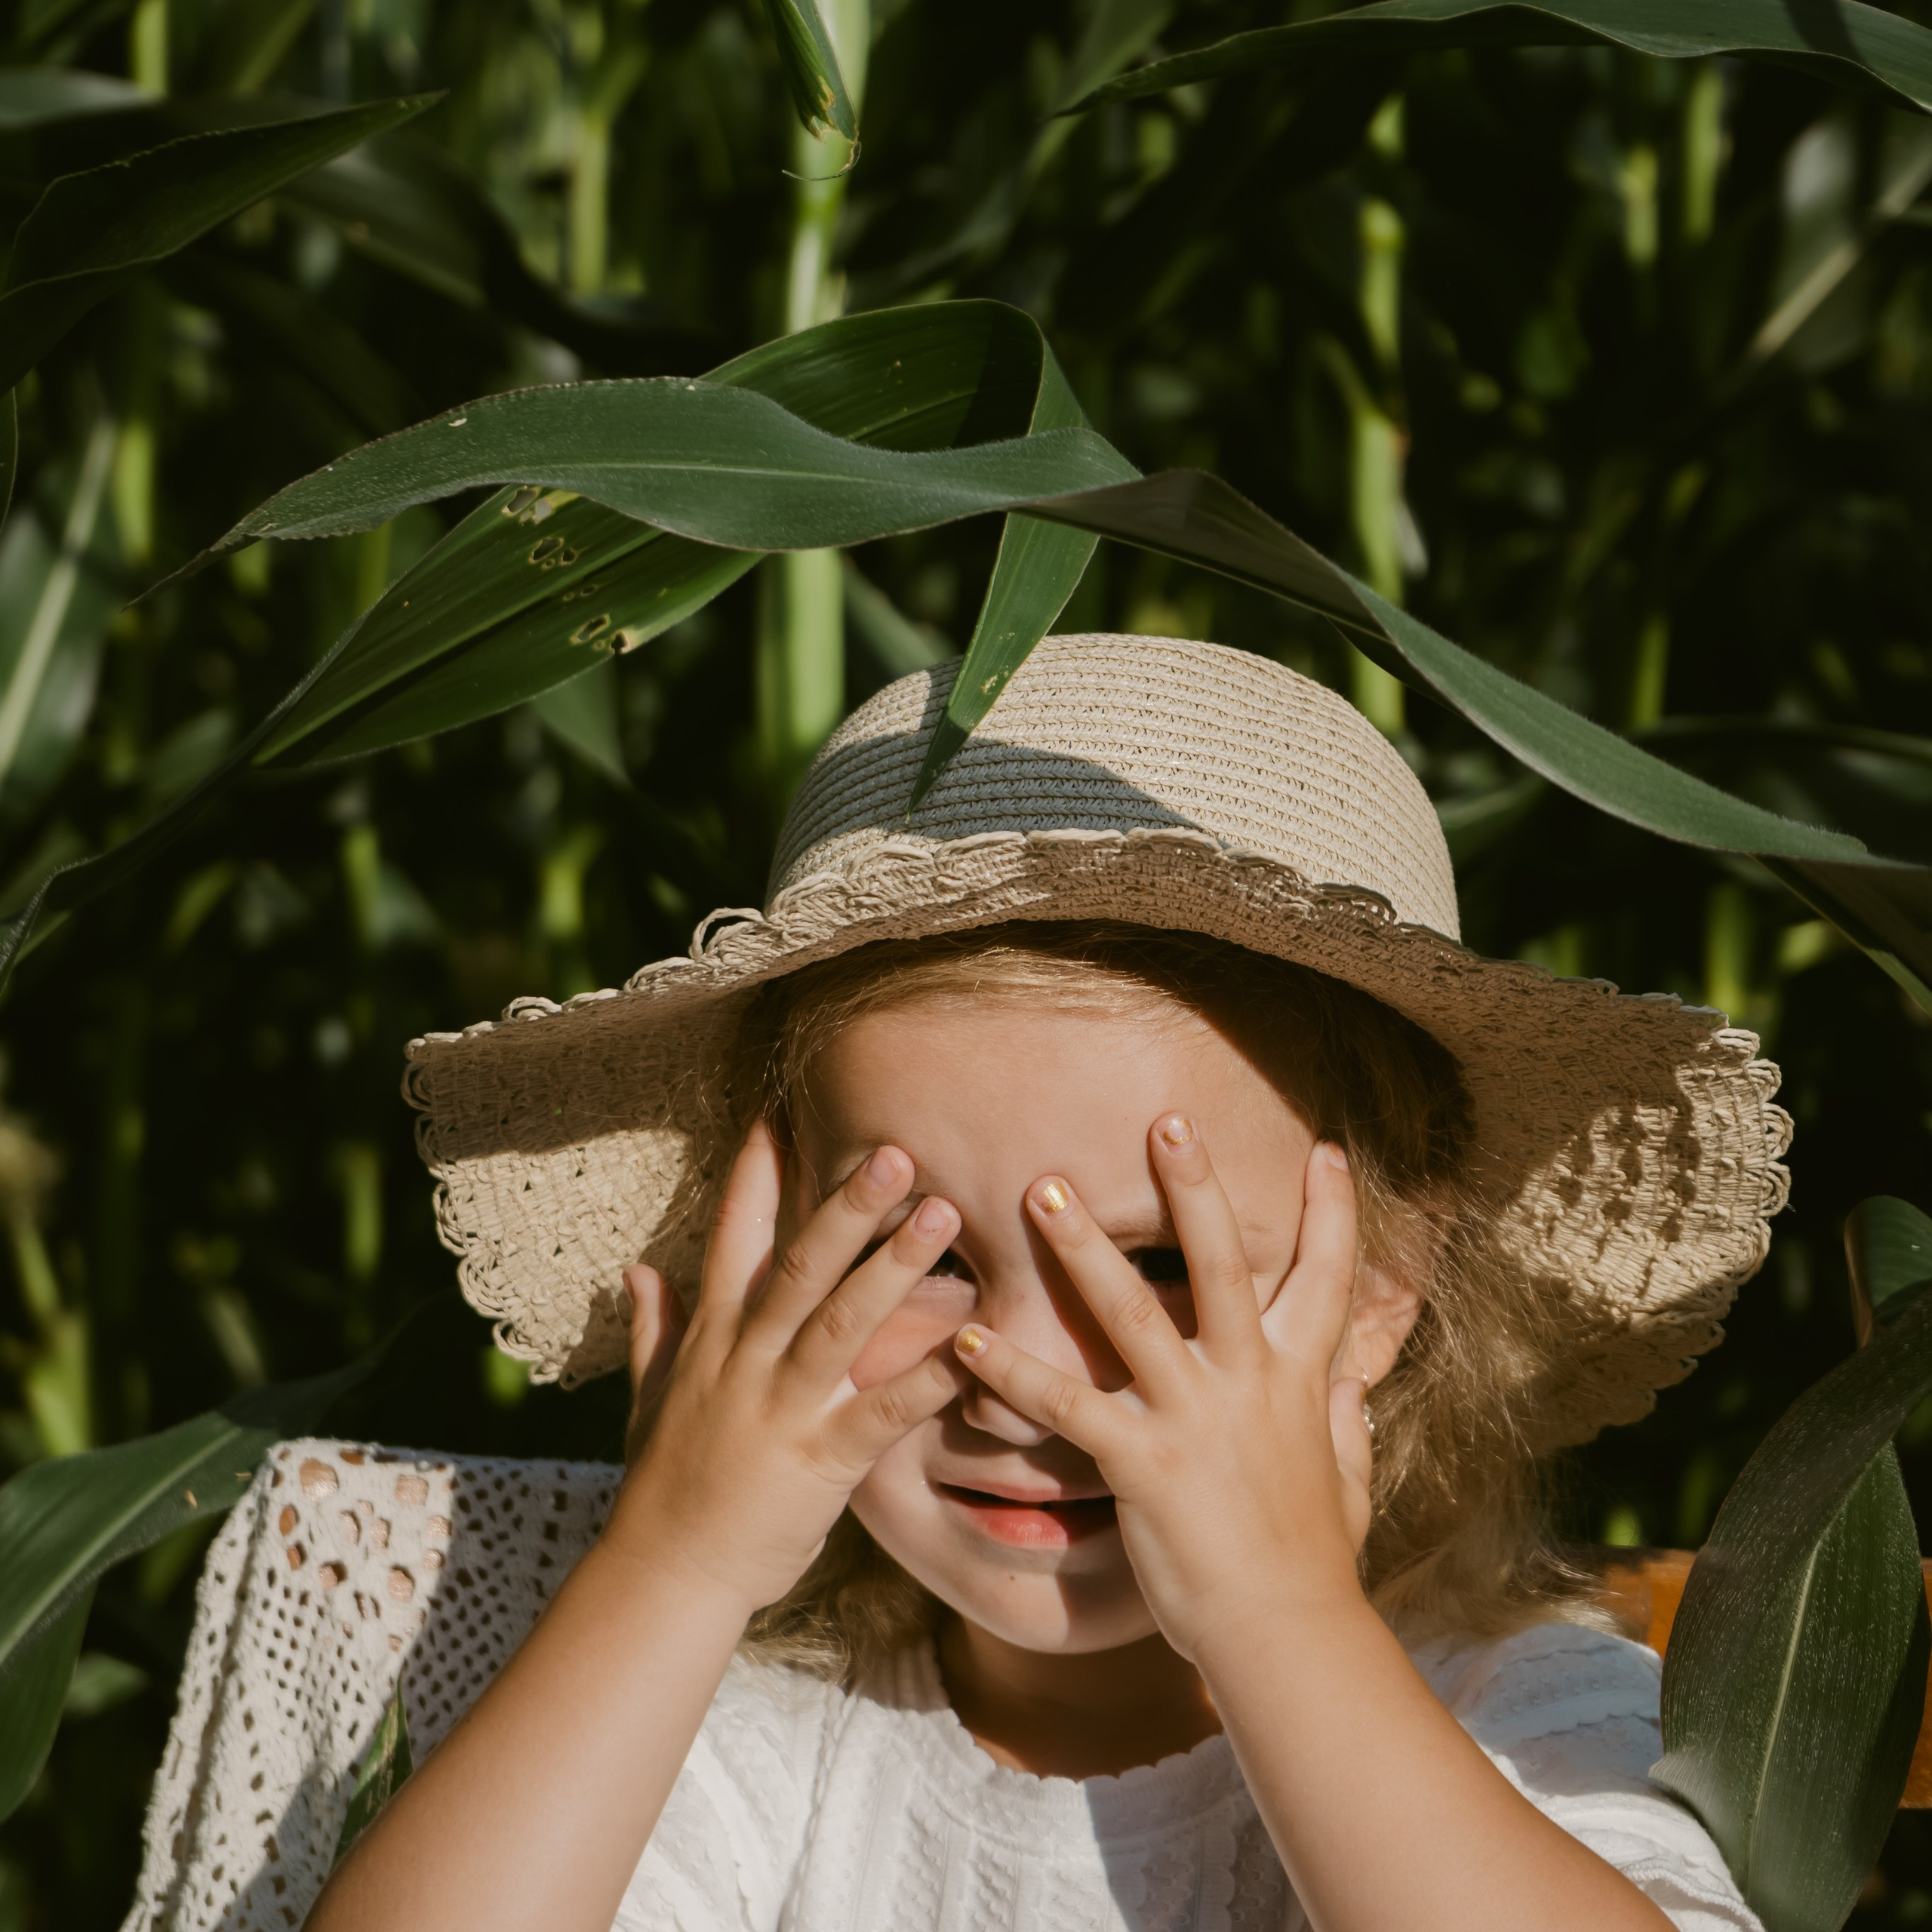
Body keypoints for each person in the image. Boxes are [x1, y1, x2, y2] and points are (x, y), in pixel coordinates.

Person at [308, 634, 1786, 1932]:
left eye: (1149, 1265)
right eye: (921, 1249)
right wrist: (674, 1568)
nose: (1021, 1374)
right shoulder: (753, 1736)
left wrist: (1281, 1619)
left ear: (1386, 1278)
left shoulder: (1518, 1719)